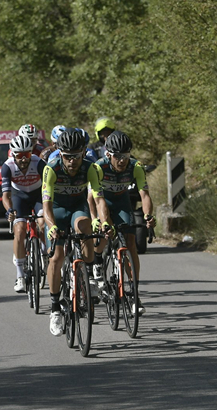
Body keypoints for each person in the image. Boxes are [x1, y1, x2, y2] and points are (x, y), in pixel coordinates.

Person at [42, 129, 110, 336]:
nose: (72, 161)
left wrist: (104, 221)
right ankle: (55, 308)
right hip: (57, 211)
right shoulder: (51, 169)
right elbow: (46, 205)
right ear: (60, 154)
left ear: (83, 152)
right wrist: (52, 226)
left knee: (84, 227)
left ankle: (87, 274)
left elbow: (99, 199)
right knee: (57, 257)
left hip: (77, 209)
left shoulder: (92, 168)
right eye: (67, 157)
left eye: (76, 156)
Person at [88, 130, 156, 315]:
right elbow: (92, 199)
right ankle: (98, 263)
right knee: (104, 233)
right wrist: (96, 220)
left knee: (131, 243)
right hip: (101, 202)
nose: (122, 160)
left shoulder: (136, 166)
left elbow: (144, 195)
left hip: (121, 203)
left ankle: (134, 293)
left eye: (125, 155)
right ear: (108, 154)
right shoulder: (98, 168)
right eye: (117, 156)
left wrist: (149, 216)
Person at [2, 134, 46, 293]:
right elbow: (6, 196)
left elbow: (49, 188)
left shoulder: (39, 163)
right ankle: (20, 275)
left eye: (26, 154)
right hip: (19, 196)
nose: (23, 159)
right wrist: (9, 210)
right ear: (13, 154)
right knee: (19, 230)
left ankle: (44, 252)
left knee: (42, 223)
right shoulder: (7, 166)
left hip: (38, 195)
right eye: (19, 155)